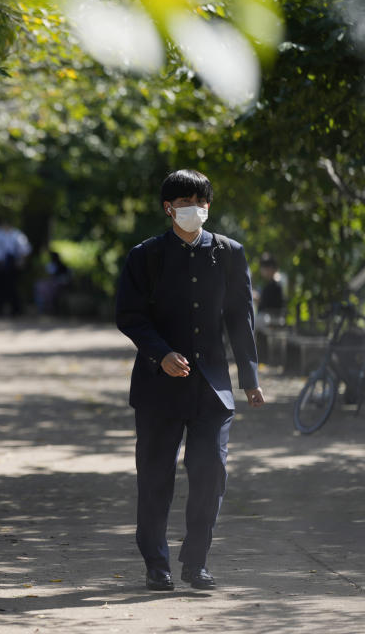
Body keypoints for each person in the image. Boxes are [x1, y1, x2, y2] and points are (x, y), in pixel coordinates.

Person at [115, 169, 265, 592]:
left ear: (208, 206)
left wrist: (249, 377)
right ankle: (156, 564)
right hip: (158, 387)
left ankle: (196, 563)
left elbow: (241, 318)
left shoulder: (229, 252)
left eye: (200, 202)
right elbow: (129, 316)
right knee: (155, 477)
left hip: (213, 389)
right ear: (169, 209)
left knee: (210, 474)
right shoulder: (145, 256)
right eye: (184, 203)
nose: (193, 210)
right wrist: (160, 354)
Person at [1, 221, 32, 316]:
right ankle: (12, 309)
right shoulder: (5, 236)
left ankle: (18, 309)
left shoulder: (17, 235)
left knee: (15, 288)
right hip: (7, 264)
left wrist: (21, 262)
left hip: (15, 264)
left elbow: (25, 250)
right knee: (9, 288)